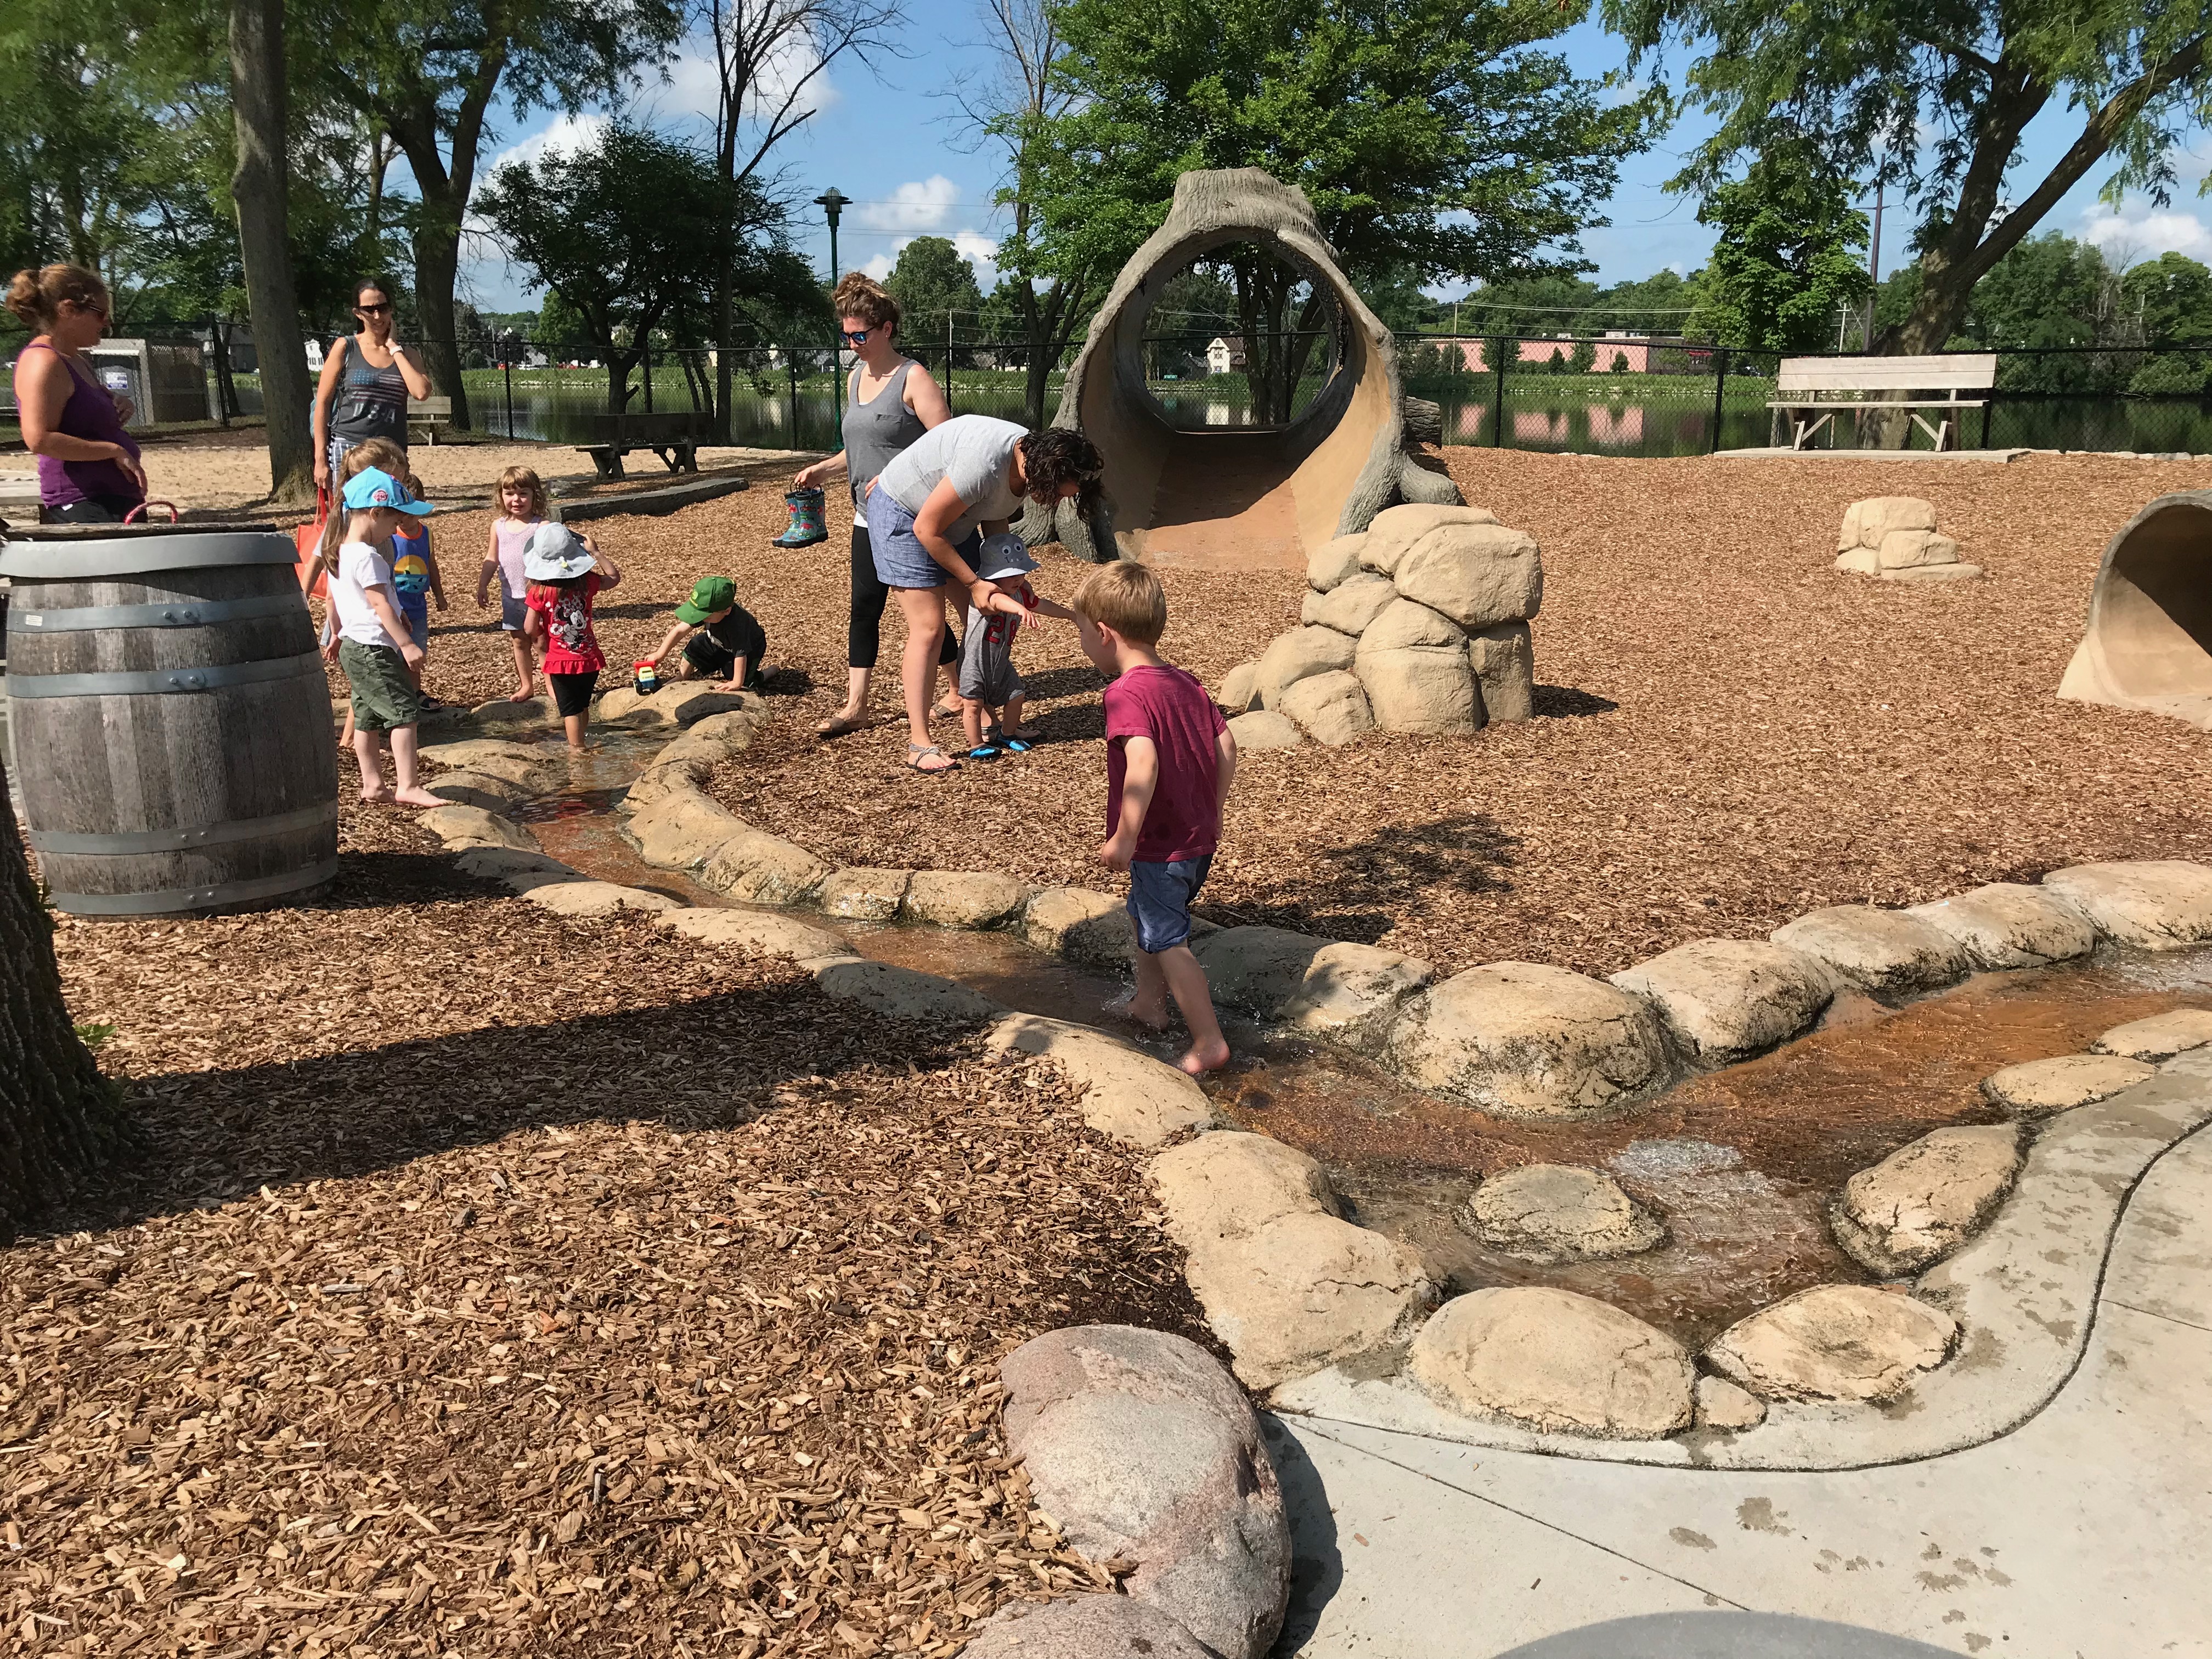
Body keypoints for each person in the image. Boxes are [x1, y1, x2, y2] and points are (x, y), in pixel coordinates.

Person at [867, 416, 1105, 774]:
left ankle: (986, 719)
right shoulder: (983, 465)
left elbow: (995, 516)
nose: (1057, 501)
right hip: (908, 516)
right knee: (930, 628)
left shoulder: (1029, 461)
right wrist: (975, 583)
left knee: (983, 620)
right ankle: (919, 744)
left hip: (954, 518)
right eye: (1059, 493)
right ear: (1048, 473)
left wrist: (1008, 576)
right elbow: (927, 529)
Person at [1074, 560, 1238, 1075]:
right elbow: (1227, 745)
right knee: (1147, 916)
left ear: (1105, 634)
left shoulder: (1125, 693)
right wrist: (1213, 807)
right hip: (1196, 839)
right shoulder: (1186, 683)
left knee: (1169, 939)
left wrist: (1125, 837)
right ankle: (1149, 1004)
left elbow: (1142, 761)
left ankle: (1208, 1040)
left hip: (1158, 845)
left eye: (1083, 633)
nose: (1083, 643)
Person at [791, 272, 960, 738]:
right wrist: (826, 469)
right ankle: (856, 706)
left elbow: (946, 447)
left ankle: (957, 688)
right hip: (867, 517)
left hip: (910, 518)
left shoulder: (914, 378)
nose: (852, 344)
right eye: (846, 336)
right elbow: (862, 448)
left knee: (922, 616)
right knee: (864, 608)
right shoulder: (853, 379)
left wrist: (898, 475)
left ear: (886, 329)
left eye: (859, 335)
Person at [317, 466, 442, 807]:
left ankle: (372, 784)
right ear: (375, 512)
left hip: (355, 646)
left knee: (367, 717)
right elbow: (377, 603)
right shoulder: (368, 556)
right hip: (374, 648)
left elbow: (339, 600)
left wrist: (338, 634)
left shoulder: (340, 552)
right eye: (394, 521)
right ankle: (408, 786)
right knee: (405, 713)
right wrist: (407, 643)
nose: (396, 529)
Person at [6, 263, 148, 523]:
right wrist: (114, 451)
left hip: (110, 500)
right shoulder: (43, 361)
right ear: (68, 310)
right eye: (99, 313)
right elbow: (39, 439)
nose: (106, 322)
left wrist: (119, 402)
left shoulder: (75, 359)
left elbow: (85, 408)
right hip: (82, 504)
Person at [957, 535, 1074, 760]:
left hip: (1000, 661)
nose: (1018, 579)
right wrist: (1019, 610)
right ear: (991, 577)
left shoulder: (1019, 594)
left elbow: (1041, 604)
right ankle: (976, 745)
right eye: (1010, 575)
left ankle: (1007, 733)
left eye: (1022, 573)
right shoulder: (985, 594)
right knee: (973, 704)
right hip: (975, 661)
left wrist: (1070, 615)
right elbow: (998, 602)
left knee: (1017, 695)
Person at [312, 277, 432, 489]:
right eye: (369, 310)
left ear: (391, 310)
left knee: (386, 520)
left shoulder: (408, 354)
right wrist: (320, 460)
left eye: (383, 308)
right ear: (358, 313)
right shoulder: (346, 347)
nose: (377, 316)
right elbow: (323, 403)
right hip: (348, 449)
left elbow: (421, 392)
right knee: (348, 521)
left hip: (391, 454)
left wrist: (394, 348)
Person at [522, 523, 622, 749]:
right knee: (582, 705)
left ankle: (577, 751)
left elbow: (529, 628)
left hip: (560, 662)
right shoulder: (588, 583)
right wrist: (596, 553)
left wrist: (543, 635)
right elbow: (614, 577)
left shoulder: (538, 592)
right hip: (589, 658)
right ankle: (583, 740)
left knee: (570, 711)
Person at [476, 465, 548, 701]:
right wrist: (483, 584)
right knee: (519, 640)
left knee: (541, 641)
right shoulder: (498, 527)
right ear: (501, 496)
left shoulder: (541, 526)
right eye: (510, 494)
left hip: (537, 595)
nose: (517, 500)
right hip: (511, 596)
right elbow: (491, 558)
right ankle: (527, 685)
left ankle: (551, 684)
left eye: (523, 493)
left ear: (534, 495)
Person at [645, 577, 768, 689]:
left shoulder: (737, 625)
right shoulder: (712, 612)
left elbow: (741, 654)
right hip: (718, 641)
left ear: (727, 611)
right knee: (696, 644)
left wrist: (736, 682)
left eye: (706, 617)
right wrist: (659, 655)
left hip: (750, 650)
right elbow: (679, 631)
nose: (702, 619)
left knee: (742, 680)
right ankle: (682, 676)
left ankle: (767, 673)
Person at [387, 469, 446, 695]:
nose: (404, 520)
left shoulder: (426, 534)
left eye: (411, 514)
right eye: (400, 514)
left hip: (418, 605)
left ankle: (415, 693)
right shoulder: (390, 535)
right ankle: (397, 693)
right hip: (395, 604)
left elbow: (431, 564)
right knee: (395, 650)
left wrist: (439, 594)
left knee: (417, 651)